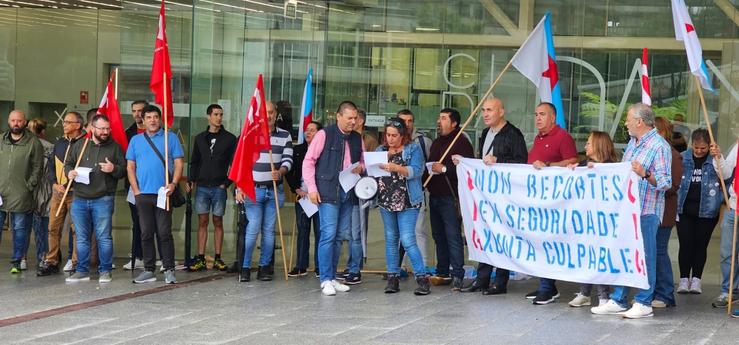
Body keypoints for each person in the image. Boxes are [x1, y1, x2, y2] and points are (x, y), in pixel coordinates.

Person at [591, 103, 672, 319]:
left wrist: (645, 174)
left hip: (647, 210)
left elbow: (666, 183)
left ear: (639, 121)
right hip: (628, 211)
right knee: (626, 255)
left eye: (628, 119)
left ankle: (644, 302)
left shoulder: (659, 146)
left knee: (645, 257)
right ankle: (619, 299)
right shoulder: (633, 144)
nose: (625, 123)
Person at [457, 97, 527, 296]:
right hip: (486, 195)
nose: (485, 114)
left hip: (505, 196)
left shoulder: (513, 134)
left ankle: (500, 281)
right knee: (485, 235)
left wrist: (499, 160)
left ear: (501, 112)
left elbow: (521, 162)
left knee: (502, 236)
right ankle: (482, 279)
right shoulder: (486, 133)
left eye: (490, 110)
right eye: (483, 110)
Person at [302, 100, 364, 296]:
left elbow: (362, 160)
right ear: (338, 116)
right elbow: (308, 162)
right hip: (328, 190)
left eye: (355, 118)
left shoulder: (356, 138)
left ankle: (332, 276)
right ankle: (325, 279)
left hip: (349, 190)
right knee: (328, 235)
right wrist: (312, 189)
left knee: (339, 237)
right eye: (349, 118)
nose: (353, 122)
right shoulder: (324, 135)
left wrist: (361, 166)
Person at [526, 102, 578, 305]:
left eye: (542, 114)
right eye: (536, 114)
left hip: (554, 203)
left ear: (553, 117)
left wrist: (548, 166)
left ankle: (547, 287)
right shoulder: (539, 137)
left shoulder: (562, 137)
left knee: (547, 242)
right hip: (537, 200)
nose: (538, 118)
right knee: (539, 241)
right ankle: (546, 285)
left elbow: (572, 161)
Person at [235, 101, 293, 282]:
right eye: (264, 113)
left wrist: (281, 171)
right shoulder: (250, 135)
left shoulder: (284, 135)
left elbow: (288, 160)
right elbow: (240, 164)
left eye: (271, 112)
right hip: (253, 190)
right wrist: (239, 187)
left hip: (274, 190)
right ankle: (244, 267)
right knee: (252, 230)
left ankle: (264, 268)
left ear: (276, 114)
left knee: (269, 231)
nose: (268, 116)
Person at [126, 105, 184, 284]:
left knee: (164, 232)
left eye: (156, 117)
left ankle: (169, 269)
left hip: (163, 193)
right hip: (143, 194)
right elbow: (130, 166)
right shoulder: (136, 140)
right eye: (149, 117)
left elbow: (179, 163)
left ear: (160, 119)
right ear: (142, 120)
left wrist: (173, 184)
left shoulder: (170, 138)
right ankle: (149, 269)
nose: (153, 120)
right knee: (146, 232)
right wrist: (136, 190)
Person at [64, 115, 126, 283]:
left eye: (107, 128)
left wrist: (113, 168)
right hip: (79, 198)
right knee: (82, 237)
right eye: (102, 129)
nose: (106, 132)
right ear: (92, 128)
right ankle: (82, 270)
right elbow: (68, 164)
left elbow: (124, 171)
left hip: (103, 198)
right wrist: (69, 172)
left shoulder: (115, 147)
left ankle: (105, 270)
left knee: (104, 237)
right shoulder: (80, 145)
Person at [376, 117, 430, 295]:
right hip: (386, 200)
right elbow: (372, 169)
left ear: (402, 135)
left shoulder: (413, 148)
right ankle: (393, 278)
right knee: (391, 239)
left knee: (407, 239)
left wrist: (396, 167)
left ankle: (422, 278)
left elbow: (418, 170)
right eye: (388, 134)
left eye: (394, 135)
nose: (390, 139)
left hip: (408, 200)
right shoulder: (381, 150)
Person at [565, 131, 617, 307]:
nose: (585, 146)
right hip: (585, 218)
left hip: (603, 220)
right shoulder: (583, 164)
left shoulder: (611, 167)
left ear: (599, 146)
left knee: (599, 256)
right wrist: (571, 170)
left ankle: (604, 296)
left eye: (589, 143)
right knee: (587, 255)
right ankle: (585, 292)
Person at [425, 108, 474, 290]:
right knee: (438, 236)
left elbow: (467, 170)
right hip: (435, 196)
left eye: (444, 118)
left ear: (454, 123)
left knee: (453, 236)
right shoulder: (437, 142)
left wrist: (444, 169)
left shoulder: (461, 143)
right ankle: (442, 270)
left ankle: (458, 274)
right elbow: (431, 164)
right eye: (439, 117)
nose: (439, 121)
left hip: (451, 198)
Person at [187, 104, 237, 272]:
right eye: (215, 114)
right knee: (202, 221)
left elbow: (234, 164)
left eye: (221, 114)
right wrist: (191, 180)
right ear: (208, 116)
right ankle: (200, 257)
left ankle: (217, 257)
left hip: (219, 187)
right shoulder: (200, 138)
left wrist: (226, 183)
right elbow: (194, 161)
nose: (219, 117)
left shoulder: (230, 139)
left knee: (217, 220)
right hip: (202, 186)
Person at [37, 111, 86, 276]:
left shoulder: (86, 143)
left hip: (76, 193)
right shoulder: (60, 142)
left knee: (76, 230)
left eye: (68, 122)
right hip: (58, 192)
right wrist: (54, 184)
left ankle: (75, 262)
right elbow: (50, 165)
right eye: (64, 122)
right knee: (53, 228)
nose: (64, 124)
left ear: (78, 125)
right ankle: (51, 261)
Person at [675, 128, 720, 294]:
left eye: (703, 148)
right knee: (685, 244)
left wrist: (718, 157)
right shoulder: (684, 157)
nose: (699, 151)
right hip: (684, 209)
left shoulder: (714, 158)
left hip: (707, 211)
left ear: (709, 145)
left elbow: (726, 175)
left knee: (701, 245)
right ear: (691, 144)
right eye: (696, 147)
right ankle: (684, 279)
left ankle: (696, 280)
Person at [0, 109, 44, 273]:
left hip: (21, 193)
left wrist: (29, 186)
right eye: (13, 120)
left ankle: (17, 261)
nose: (16, 123)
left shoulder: (33, 142)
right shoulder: (1, 140)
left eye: (19, 121)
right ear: (8, 121)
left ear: (25, 122)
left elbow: (38, 168)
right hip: (0, 192)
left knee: (19, 229)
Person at [123, 100, 160, 271]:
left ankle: (157, 257)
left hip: (157, 187)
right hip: (135, 187)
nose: (137, 114)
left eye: (140, 111)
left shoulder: (163, 135)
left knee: (160, 225)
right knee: (138, 223)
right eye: (134, 111)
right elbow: (127, 162)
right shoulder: (128, 133)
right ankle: (138, 255)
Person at [652, 117, 682, 309]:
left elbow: (673, 185)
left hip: (664, 211)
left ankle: (665, 293)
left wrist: (651, 180)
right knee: (652, 251)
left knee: (660, 251)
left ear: (662, 133)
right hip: (651, 210)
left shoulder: (673, 155)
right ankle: (656, 291)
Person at [396, 109, 432, 272]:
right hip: (395, 194)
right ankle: (399, 266)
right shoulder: (390, 142)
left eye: (410, 121)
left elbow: (428, 165)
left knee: (418, 230)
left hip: (416, 192)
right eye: (404, 121)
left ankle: (422, 267)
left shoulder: (422, 142)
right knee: (397, 233)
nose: (407, 124)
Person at [286, 121, 322, 277]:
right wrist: (296, 189)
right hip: (302, 196)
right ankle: (301, 265)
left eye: (312, 131)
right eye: (307, 130)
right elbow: (290, 172)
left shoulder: (324, 151)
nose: (308, 133)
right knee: (302, 231)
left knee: (321, 232)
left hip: (320, 196)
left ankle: (321, 266)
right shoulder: (298, 150)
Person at [25, 118, 53, 271]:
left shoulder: (25, 147)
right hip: (47, 192)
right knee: (48, 228)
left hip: (30, 192)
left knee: (27, 228)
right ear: (43, 131)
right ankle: (47, 257)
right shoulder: (50, 147)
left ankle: (23, 258)